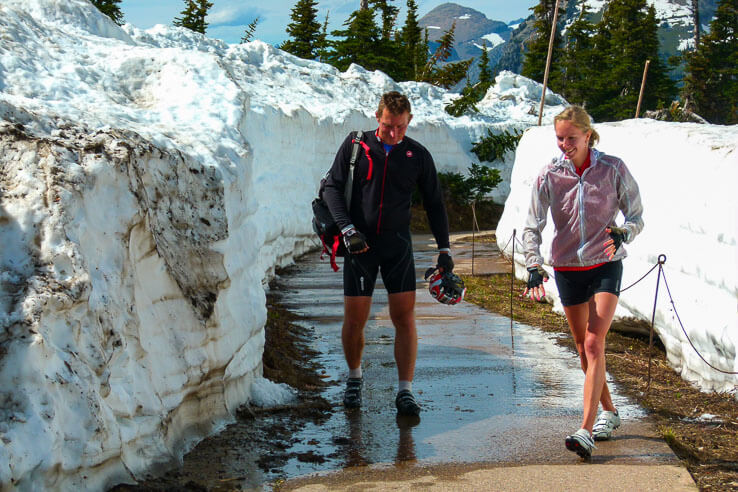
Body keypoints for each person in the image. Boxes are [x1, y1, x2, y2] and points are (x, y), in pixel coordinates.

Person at [522, 105, 644, 459]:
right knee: (582, 347)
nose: (564, 145)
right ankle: (609, 411)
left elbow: (636, 214)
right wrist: (533, 263)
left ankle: (586, 430)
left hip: (605, 263)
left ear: (587, 135)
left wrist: (626, 233)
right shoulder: (550, 174)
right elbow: (532, 224)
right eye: (559, 138)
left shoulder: (612, 169)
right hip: (566, 268)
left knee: (594, 343)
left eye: (571, 138)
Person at [323, 91, 453, 417]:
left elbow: (435, 204)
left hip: (397, 245)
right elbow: (331, 188)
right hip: (360, 244)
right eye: (387, 126)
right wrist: (347, 229)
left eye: (400, 127)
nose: (393, 134)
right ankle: (354, 379)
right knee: (356, 318)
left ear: (409, 122)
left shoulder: (416, 155)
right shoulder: (356, 147)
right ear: (377, 118)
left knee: (403, 318)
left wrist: (445, 250)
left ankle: (405, 391)